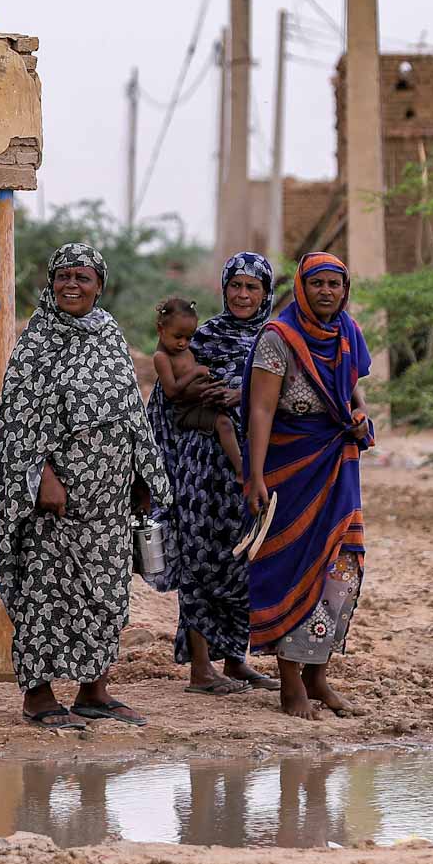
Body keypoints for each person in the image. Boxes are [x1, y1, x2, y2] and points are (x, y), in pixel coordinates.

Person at [0, 243, 173, 730]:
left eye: (83, 277)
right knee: (46, 591)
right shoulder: (37, 342)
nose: (72, 285)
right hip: (57, 500)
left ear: (100, 285)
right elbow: (15, 420)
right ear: (50, 284)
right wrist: (43, 477)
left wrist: (141, 474)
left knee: (105, 592)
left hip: (110, 498)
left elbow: (130, 411)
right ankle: (39, 695)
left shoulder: (109, 333)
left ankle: (94, 691)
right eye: (63, 277)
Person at [243, 253, 375, 720]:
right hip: (289, 467)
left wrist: (359, 417)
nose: (326, 291)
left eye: (334, 284)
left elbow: (352, 391)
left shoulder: (348, 333)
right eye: (317, 283)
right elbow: (259, 410)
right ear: (302, 287)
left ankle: (318, 674)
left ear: (345, 289)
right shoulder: (278, 339)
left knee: (341, 568)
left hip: (338, 465)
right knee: (293, 569)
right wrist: (254, 475)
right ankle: (290, 682)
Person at [146, 253, 281, 697]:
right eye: (235, 286)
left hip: (255, 471)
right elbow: (168, 405)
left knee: (247, 564)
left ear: (265, 293)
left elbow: (285, 397)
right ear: (224, 289)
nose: (242, 295)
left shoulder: (276, 341)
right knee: (200, 563)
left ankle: (235, 661)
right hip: (201, 469)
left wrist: (240, 396)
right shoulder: (200, 339)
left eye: (252, 288)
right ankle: (201, 669)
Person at [149, 298, 243, 478]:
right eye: (178, 337)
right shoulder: (161, 357)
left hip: (200, 402)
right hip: (186, 411)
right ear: (161, 330)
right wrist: (196, 373)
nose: (183, 343)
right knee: (224, 424)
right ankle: (240, 470)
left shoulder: (182, 349)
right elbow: (171, 392)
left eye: (189, 338)